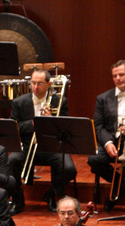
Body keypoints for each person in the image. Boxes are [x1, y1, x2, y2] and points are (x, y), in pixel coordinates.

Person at [8, 69, 75, 212]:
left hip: (51, 146)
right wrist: (32, 123)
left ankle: (51, 194)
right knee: (12, 160)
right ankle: (18, 200)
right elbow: (14, 127)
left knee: (69, 169)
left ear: (48, 84)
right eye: (32, 83)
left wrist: (51, 121)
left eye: (39, 83)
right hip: (27, 145)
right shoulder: (19, 102)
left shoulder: (60, 101)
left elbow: (65, 128)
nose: (35, 87)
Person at [89, 60, 125, 210]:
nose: (118, 78)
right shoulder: (103, 98)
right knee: (94, 159)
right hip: (111, 141)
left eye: (122, 74)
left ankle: (114, 194)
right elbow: (98, 125)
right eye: (115, 76)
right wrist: (107, 143)